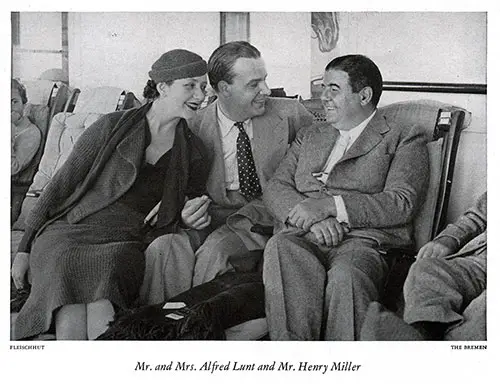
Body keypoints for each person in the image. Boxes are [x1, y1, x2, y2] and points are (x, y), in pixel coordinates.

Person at [10, 49, 211, 340]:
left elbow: (193, 201)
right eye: (190, 85)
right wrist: (24, 249)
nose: (200, 94)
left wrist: (185, 209)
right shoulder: (110, 126)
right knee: (66, 259)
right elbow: (59, 187)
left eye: (203, 86)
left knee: (111, 266)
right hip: (72, 228)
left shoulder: (194, 151)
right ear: (162, 87)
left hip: (126, 237)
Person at [262, 54, 429, 340]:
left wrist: (330, 206)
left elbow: (402, 202)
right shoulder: (310, 135)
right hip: (302, 234)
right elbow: (276, 187)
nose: (323, 97)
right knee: (280, 248)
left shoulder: (404, 136)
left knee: (347, 278)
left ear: (364, 95)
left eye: (333, 89)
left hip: (364, 241)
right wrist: (313, 219)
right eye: (322, 87)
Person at [139, 41, 312, 304]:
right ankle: (156, 330)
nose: (265, 90)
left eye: (264, 80)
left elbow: (324, 157)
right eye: (253, 84)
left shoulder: (290, 114)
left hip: (263, 214)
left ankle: (198, 330)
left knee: (216, 252)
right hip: (211, 214)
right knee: (163, 250)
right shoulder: (192, 124)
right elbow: (176, 183)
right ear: (223, 89)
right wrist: (183, 209)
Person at [361, 192, 487, 341]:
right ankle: (420, 333)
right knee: (426, 270)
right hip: (482, 260)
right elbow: (478, 216)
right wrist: (448, 239)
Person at [11, 79, 42, 222]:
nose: (9, 107)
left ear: (24, 104)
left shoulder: (31, 133)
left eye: (14, 101)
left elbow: (12, 169)